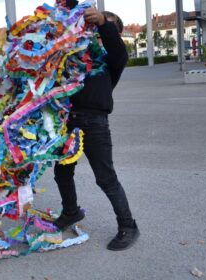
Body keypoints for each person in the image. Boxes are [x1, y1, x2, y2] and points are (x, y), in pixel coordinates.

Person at [52, 2, 140, 251]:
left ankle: (128, 225)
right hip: (67, 121)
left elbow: (116, 49)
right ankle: (71, 212)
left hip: (94, 123)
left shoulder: (112, 60)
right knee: (62, 172)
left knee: (105, 178)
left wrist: (104, 23)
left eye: (102, 25)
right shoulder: (75, 55)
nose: (96, 28)